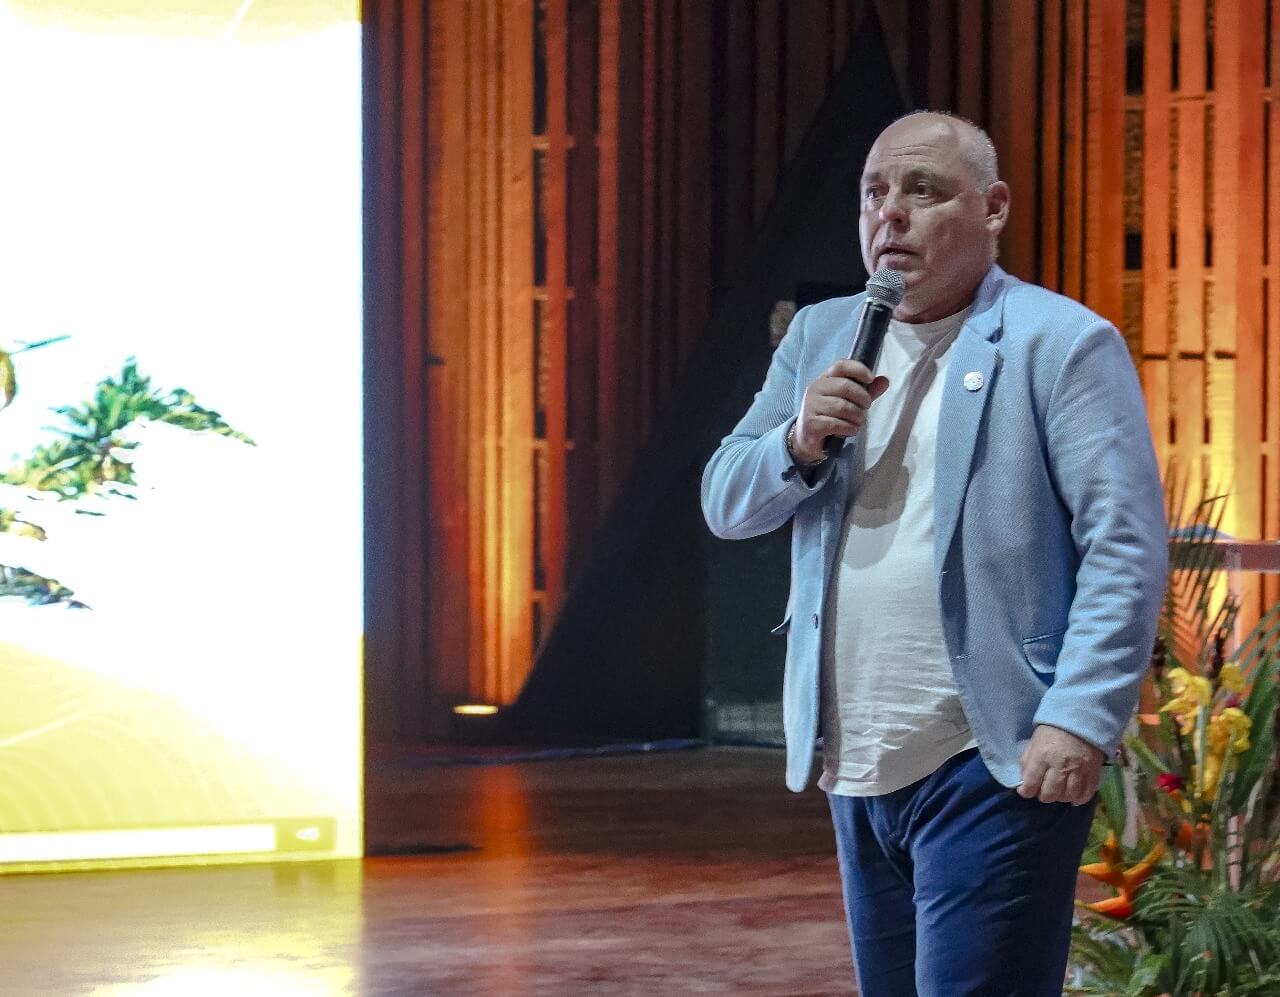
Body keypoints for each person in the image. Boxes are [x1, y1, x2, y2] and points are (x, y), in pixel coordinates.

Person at [700, 111, 1167, 996]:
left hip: (995, 754)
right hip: (858, 757)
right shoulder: (822, 335)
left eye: (923, 190)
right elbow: (726, 499)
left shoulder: (1060, 342)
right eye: (874, 192)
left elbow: (1124, 545)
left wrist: (1080, 714)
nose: (891, 214)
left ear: (993, 208)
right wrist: (797, 442)